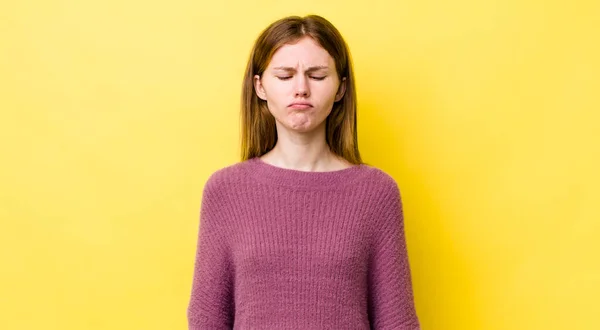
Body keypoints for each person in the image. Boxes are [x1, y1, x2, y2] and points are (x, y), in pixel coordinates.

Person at [187, 14, 421, 329]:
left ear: (341, 89)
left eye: (318, 75)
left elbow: (397, 321)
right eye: (284, 76)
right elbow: (207, 318)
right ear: (260, 87)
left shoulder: (376, 192)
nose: (301, 89)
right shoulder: (226, 190)